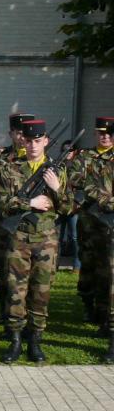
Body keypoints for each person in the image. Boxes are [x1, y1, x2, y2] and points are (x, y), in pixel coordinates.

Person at [0, 119, 68, 363]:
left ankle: (35, 341)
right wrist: (28, 203)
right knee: (15, 291)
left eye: (38, 141)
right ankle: (15, 341)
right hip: (17, 237)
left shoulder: (57, 170)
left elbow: (69, 207)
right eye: (29, 140)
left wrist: (57, 189)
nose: (32, 145)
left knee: (41, 292)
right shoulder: (10, 166)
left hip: (46, 238)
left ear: (46, 141)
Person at [70, 117, 114, 324]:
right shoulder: (84, 157)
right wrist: (99, 196)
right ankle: (88, 306)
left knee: (108, 269)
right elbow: (73, 179)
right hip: (89, 222)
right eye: (101, 133)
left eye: (108, 133)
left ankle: (105, 312)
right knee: (87, 266)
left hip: (110, 225)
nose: (105, 136)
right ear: (95, 134)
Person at [0, 113, 35, 321]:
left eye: (25, 134)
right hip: (6, 222)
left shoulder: (39, 158)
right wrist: (8, 193)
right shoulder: (0, 157)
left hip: (32, 226)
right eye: (18, 133)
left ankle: (27, 316)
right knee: (5, 272)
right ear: (11, 133)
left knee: (31, 275)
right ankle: (6, 312)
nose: (22, 137)